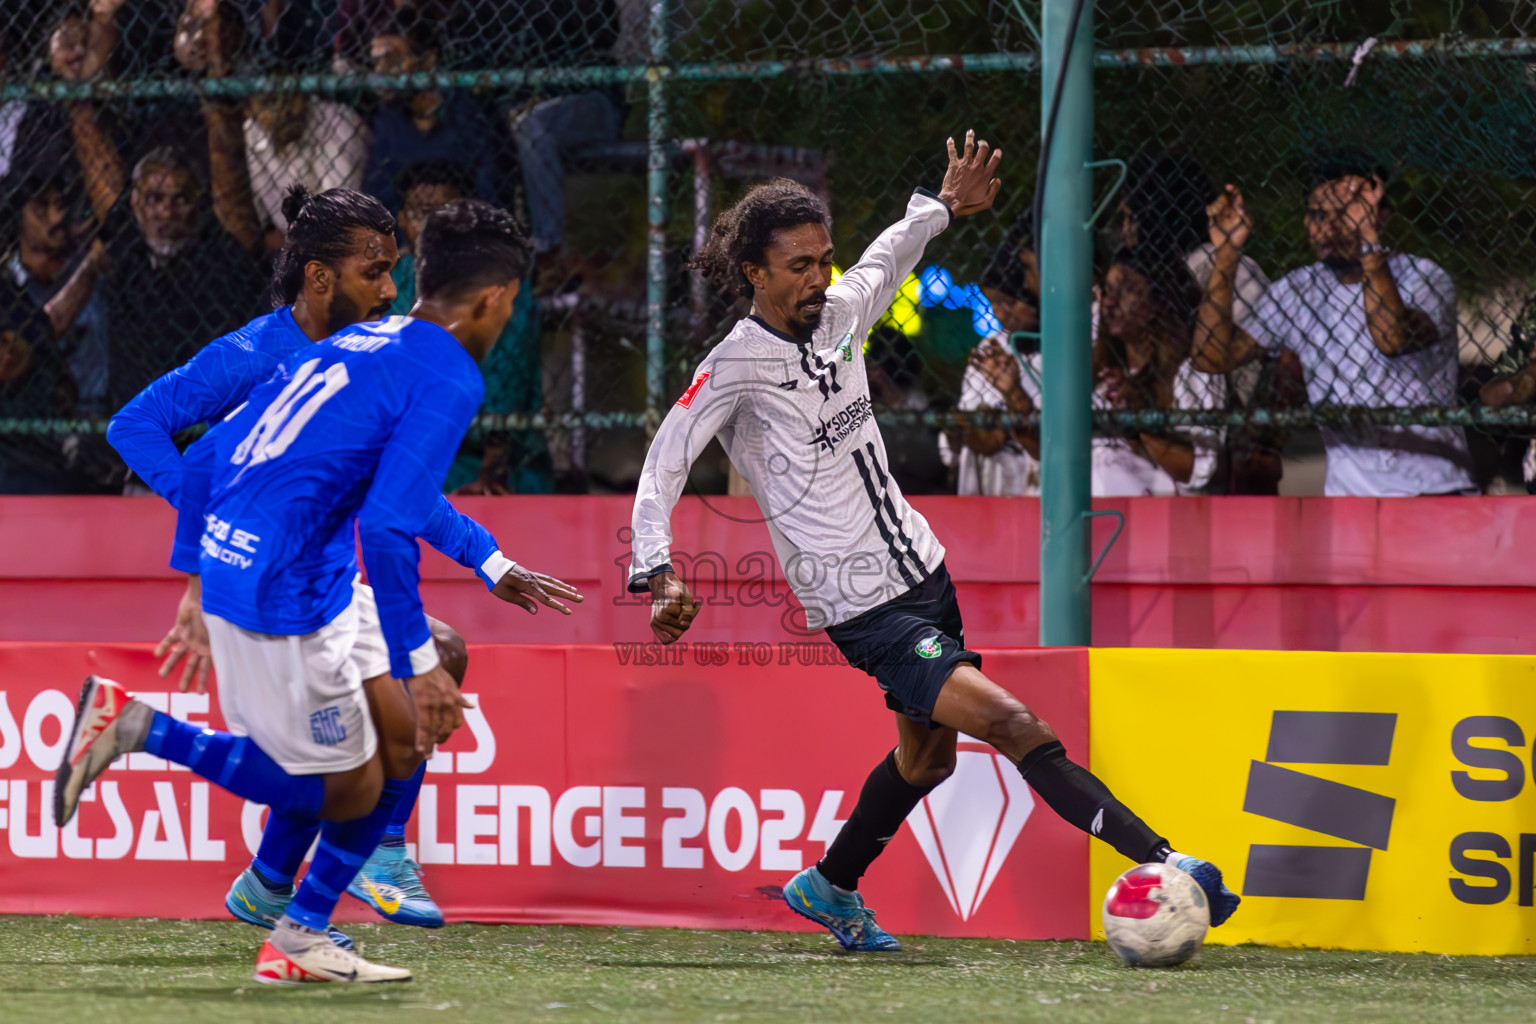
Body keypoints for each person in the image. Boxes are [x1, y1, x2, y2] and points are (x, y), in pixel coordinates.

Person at [628, 132, 1239, 952]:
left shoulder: (842, 313)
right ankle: (1171, 865)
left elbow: (887, 257)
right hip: (861, 609)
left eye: (823, 260)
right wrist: (658, 571)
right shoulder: (733, 366)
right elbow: (663, 463)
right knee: (1016, 725)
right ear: (755, 274)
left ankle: (829, 885)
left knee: (926, 764)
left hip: (925, 577)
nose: (820, 278)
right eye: (800, 265)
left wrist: (945, 204)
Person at [59, 199, 583, 984]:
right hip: (282, 583)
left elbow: (391, 494)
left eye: (392, 271)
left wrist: (489, 559)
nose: (385, 288)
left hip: (319, 578)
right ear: (317, 274)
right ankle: (169, 758)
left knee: (425, 686)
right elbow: (155, 437)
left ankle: (338, 883)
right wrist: (209, 548)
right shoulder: (266, 353)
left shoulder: (357, 347)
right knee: (346, 775)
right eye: (373, 270)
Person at [1192, 166, 1475, 496]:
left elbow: (1391, 337)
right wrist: (1226, 252)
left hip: (1434, 492)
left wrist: (1367, 237)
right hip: (1348, 498)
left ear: (1382, 214)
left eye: (1346, 212)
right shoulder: (1299, 289)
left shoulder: (1424, 277)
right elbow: (1211, 357)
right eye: (1316, 214)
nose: (1328, 226)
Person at [389, 161, 553, 494]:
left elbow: (509, 381)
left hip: (484, 455)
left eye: (445, 212)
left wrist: (492, 470)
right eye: (421, 213)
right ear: (403, 221)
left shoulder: (502, 282)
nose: (432, 225)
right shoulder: (395, 279)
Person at [362, 11, 498, 214]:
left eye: (392, 58)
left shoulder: (466, 114)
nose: (381, 70)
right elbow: (379, 198)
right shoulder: (388, 121)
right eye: (377, 61)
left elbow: (491, 194)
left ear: (427, 59)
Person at [951, 220, 1043, 496]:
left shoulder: (1067, 346)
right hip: (994, 490)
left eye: (1010, 302)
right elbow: (973, 420)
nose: (1001, 315)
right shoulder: (993, 345)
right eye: (994, 305)